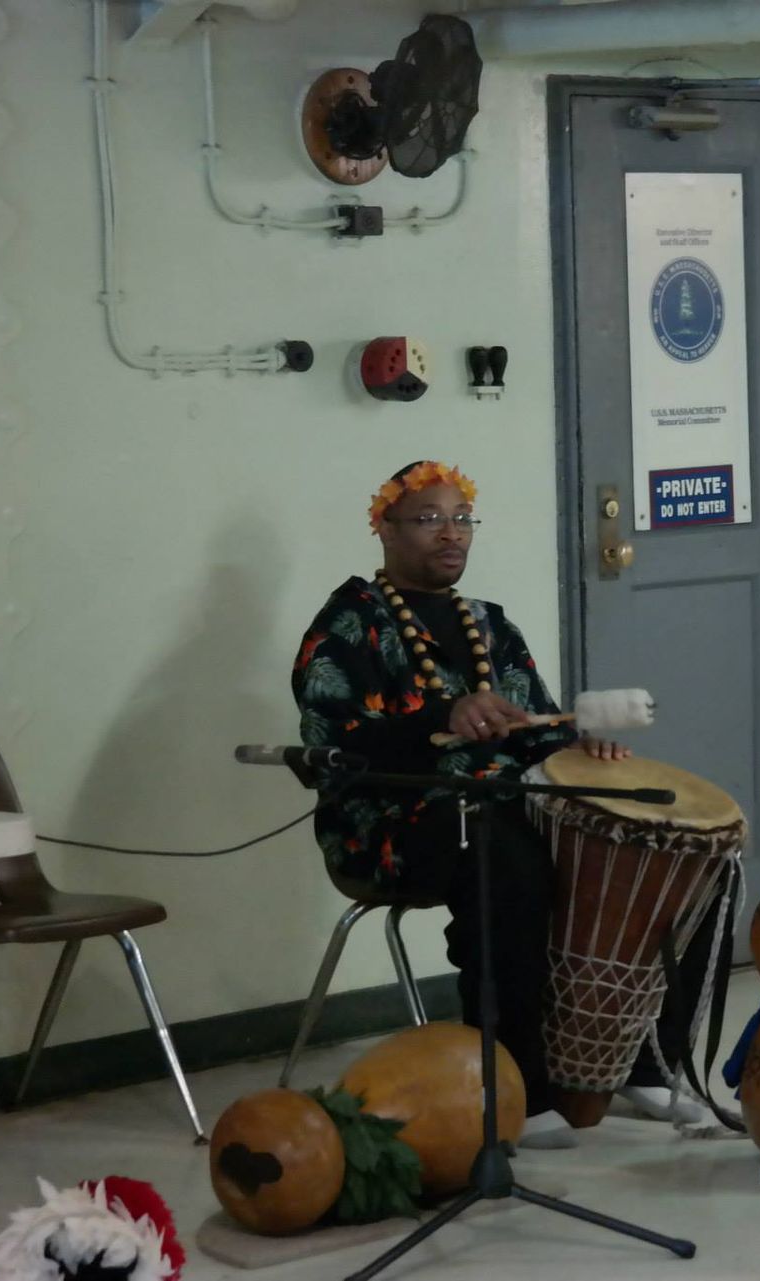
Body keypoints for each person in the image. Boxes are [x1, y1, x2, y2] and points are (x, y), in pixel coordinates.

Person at [291, 460, 703, 1142]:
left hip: (504, 807)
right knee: (505, 855)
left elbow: (535, 726)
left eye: (460, 518)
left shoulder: (490, 624)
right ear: (384, 529)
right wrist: (446, 718)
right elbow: (338, 750)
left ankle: (645, 1063)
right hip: (392, 822)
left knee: (670, 853)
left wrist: (580, 743)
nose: (450, 534)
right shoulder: (344, 627)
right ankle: (519, 1089)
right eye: (427, 519)